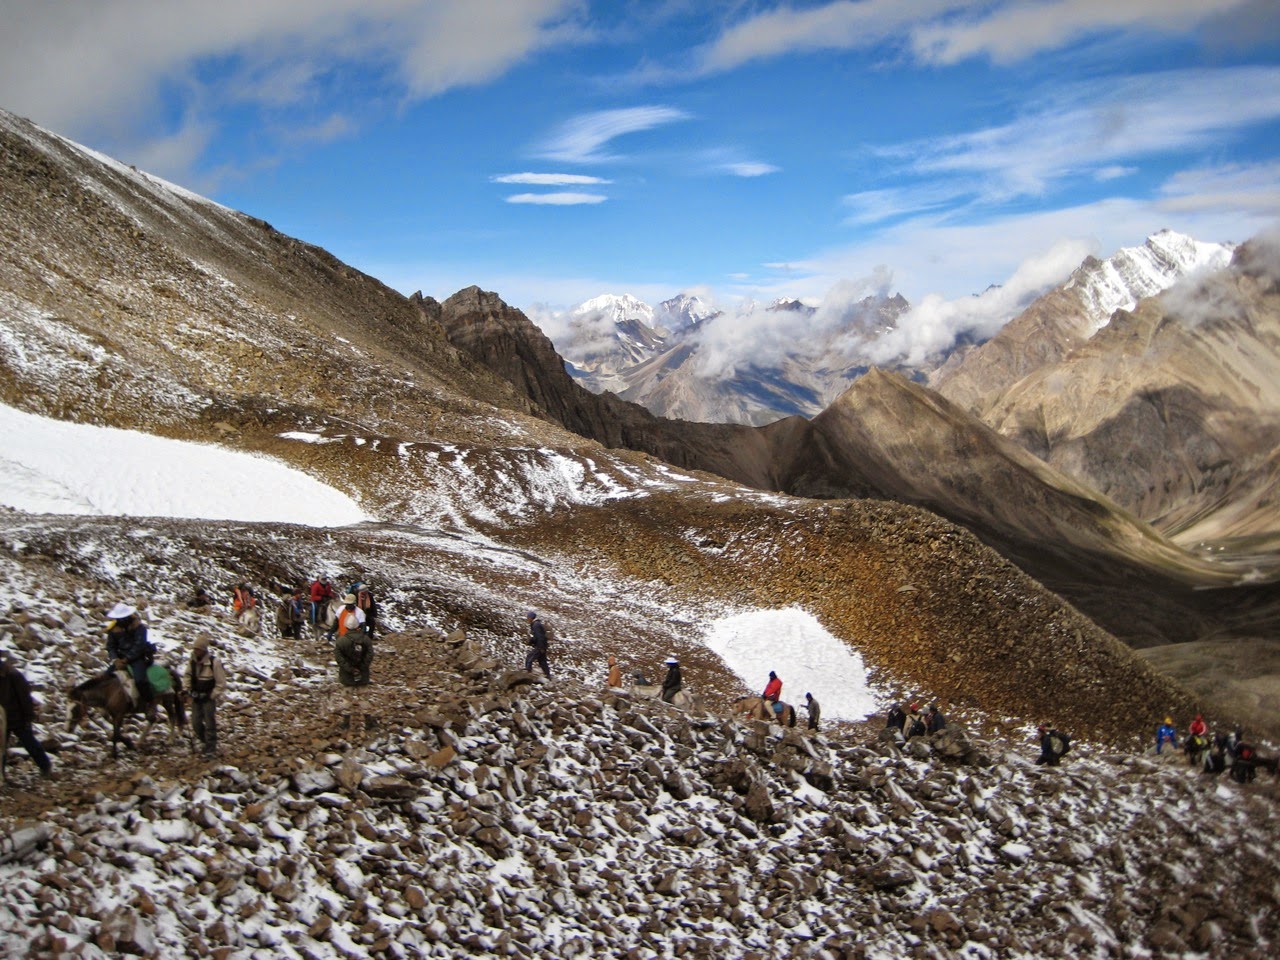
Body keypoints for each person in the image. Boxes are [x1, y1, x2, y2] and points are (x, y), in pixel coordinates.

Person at [0, 656, 53, 778]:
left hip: (18, 718)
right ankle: (1, 775)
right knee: (1, 748)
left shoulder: (13, 675)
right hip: (3, 720)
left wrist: (28, 717)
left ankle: (46, 767)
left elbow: (25, 698)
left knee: (30, 744)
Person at [105, 602, 155, 706]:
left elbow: (139, 646)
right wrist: (115, 659)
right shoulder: (113, 629)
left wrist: (127, 659)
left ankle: (150, 703)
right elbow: (111, 646)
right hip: (120, 658)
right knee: (106, 678)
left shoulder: (139, 628)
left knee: (140, 681)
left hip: (138, 658)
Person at [186, 636, 227, 758]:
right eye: (194, 649)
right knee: (195, 723)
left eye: (198, 649)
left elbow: (221, 683)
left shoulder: (214, 662)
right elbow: (187, 676)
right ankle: (204, 740)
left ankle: (210, 747)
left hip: (208, 697)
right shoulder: (192, 662)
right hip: (196, 696)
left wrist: (212, 695)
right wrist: (185, 690)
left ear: (204, 650)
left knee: (210, 722)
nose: (195, 651)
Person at [334, 613, 374, 732]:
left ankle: (346, 723)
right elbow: (370, 655)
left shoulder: (340, 641)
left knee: (346, 699)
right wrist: (362, 667)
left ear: (346, 627)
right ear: (358, 627)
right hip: (363, 674)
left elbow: (339, 659)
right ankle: (368, 722)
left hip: (347, 675)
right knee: (364, 698)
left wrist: (350, 669)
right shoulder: (365, 639)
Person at [524, 611, 550, 678]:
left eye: (528, 617)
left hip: (540, 646)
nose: (527, 619)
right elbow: (539, 636)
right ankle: (548, 675)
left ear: (531, 618)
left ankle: (527, 673)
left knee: (529, 657)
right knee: (542, 661)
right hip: (543, 646)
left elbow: (539, 637)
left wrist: (540, 647)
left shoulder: (535, 625)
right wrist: (532, 641)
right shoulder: (537, 624)